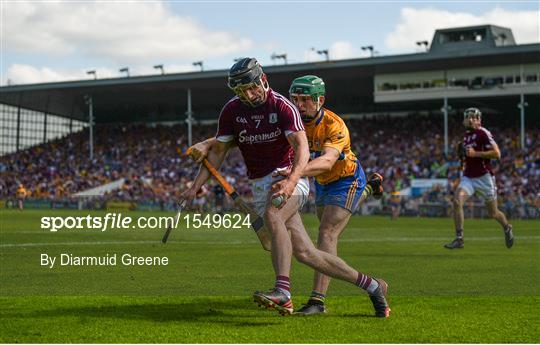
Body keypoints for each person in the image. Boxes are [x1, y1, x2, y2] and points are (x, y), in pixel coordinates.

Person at [184, 60, 390, 318]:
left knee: (306, 225)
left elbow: (318, 157)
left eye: (251, 88)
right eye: (241, 92)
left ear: (263, 80)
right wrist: (197, 177)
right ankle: (372, 285)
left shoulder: (295, 112)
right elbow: (236, 139)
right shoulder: (236, 111)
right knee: (306, 253)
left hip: (331, 177)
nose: (249, 96)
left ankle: (286, 293)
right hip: (298, 181)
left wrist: (293, 178)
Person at [274, 75, 385, 315]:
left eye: (305, 100)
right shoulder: (292, 122)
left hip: (346, 180)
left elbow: (325, 162)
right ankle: (371, 188)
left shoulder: (335, 125)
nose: (299, 105)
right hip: (322, 184)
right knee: (327, 229)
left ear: (320, 100)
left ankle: (317, 301)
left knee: (327, 233)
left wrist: (294, 173)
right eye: (294, 99)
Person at [445, 107, 514, 249]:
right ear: (464, 120)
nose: (470, 119)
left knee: (493, 213)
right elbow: (467, 157)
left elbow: (497, 154)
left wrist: (476, 154)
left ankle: (507, 227)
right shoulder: (465, 136)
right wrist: (462, 156)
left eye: (474, 117)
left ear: (479, 120)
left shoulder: (483, 133)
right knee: (457, 201)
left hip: (484, 178)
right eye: (468, 117)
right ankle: (459, 238)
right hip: (468, 177)